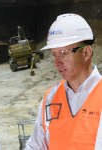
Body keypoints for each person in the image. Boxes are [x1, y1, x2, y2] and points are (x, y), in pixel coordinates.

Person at [25, 13, 100, 150]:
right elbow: (35, 146)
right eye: (54, 54)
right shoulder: (51, 97)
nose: (57, 62)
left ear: (86, 53)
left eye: (64, 53)